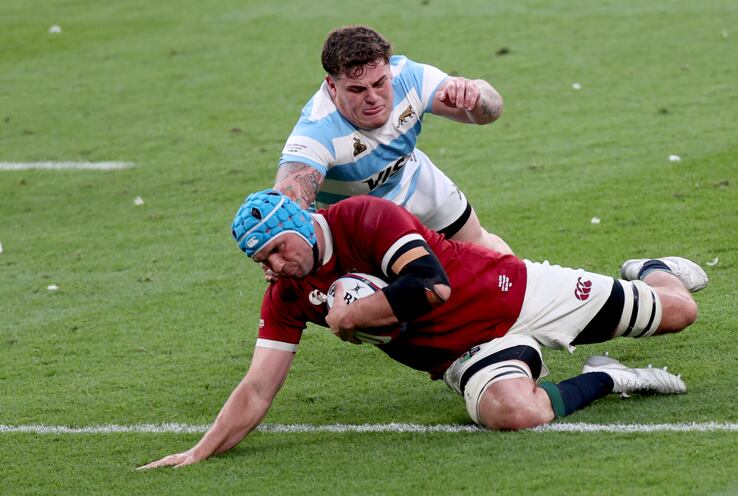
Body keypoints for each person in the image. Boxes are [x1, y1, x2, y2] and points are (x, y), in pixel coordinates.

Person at [140, 189, 707, 469]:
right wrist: (199, 451)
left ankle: (652, 269)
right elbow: (258, 387)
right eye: (260, 261)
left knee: (680, 312)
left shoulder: (364, 216)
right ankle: (611, 378)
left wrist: (353, 314)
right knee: (515, 413)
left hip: (513, 291)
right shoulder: (287, 295)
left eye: (275, 251)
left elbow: (432, 287)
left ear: (301, 227)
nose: (271, 267)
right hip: (466, 352)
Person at [273, 25, 512, 256]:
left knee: (487, 251)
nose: (373, 97)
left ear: (389, 70)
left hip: (415, 184)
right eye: (357, 90)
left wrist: (475, 94)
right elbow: (282, 212)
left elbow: (491, 111)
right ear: (332, 86)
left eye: (380, 83)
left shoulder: (409, 77)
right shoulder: (317, 132)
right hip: (359, 224)